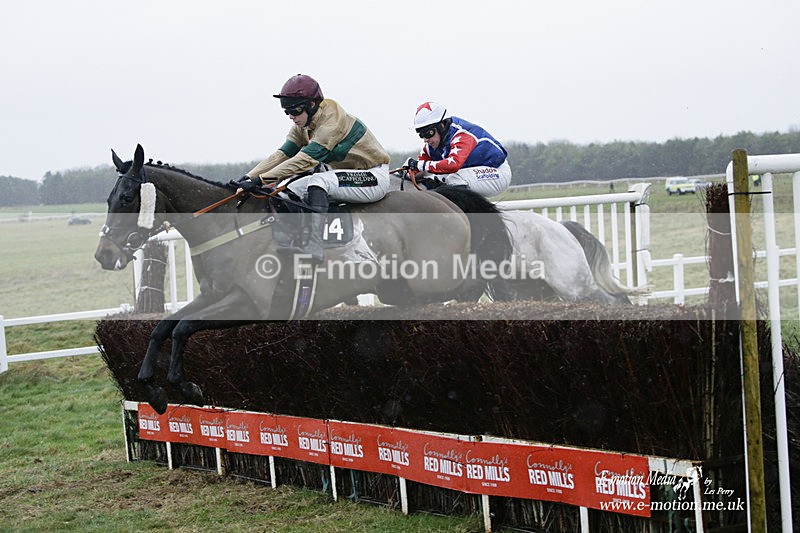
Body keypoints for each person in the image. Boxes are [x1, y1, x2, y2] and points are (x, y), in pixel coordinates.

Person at [236, 74, 391, 262]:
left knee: (318, 181)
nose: (292, 117)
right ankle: (295, 239)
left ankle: (315, 245)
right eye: (287, 112)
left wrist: (261, 180)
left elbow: (304, 160)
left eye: (295, 111)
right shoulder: (303, 123)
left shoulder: (332, 122)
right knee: (286, 191)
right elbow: (281, 154)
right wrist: (247, 177)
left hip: (372, 176)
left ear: (311, 105)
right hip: (343, 175)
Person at [403, 102, 512, 197]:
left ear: (442, 126)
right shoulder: (432, 144)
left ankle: (469, 217)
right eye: (422, 135)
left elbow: (453, 164)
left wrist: (420, 165)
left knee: (454, 179)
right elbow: (420, 167)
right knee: (432, 178)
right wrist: (408, 171)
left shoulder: (462, 135)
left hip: (497, 172)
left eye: (429, 133)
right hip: (471, 172)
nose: (426, 140)